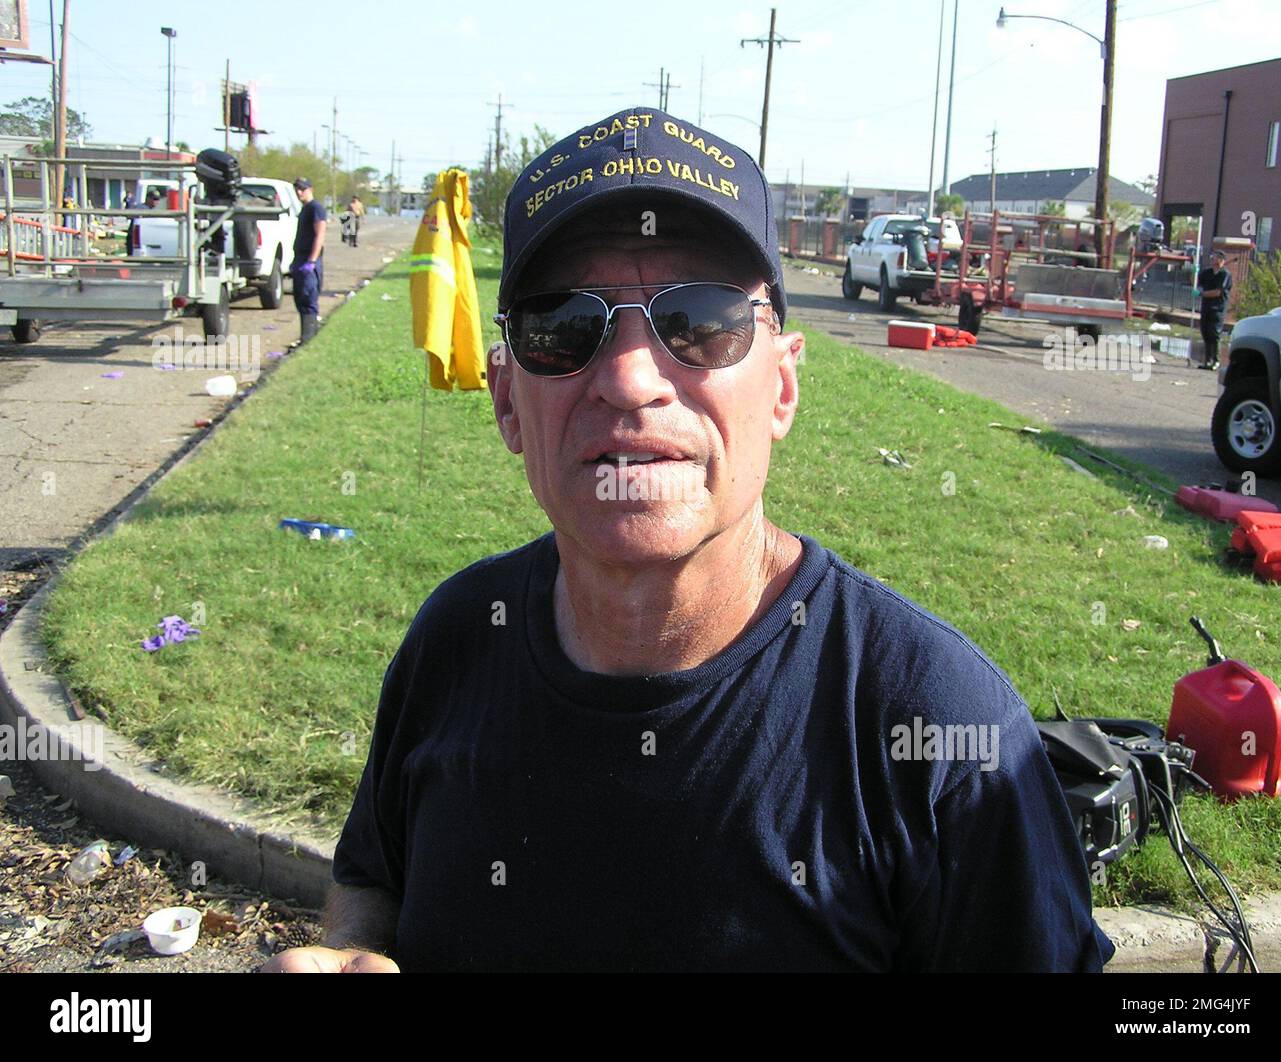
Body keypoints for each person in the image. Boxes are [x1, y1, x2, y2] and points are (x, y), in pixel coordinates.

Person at [263, 108, 1115, 973]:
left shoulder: (941, 732)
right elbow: (373, 878)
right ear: (507, 401)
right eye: (564, 325)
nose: (632, 380)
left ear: (782, 387)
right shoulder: (453, 639)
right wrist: (349, 949)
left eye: (701, 321)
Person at [290, 177, 327, 343]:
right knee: (300, 299)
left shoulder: (316, 208)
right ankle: (305, 336)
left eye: (302, 189)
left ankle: (309, 338)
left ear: (310, 189)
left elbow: (320, 235)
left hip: (309, 261)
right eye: (297, 189)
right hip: (299, 259)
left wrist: (311, 261)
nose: (299, 192)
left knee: (308, 299)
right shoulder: (304, 209)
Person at [1196, 249, 1232, 370]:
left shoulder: (1224, 274)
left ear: (1221, 260)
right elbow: (1197, 283)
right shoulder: (1207, 273)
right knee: (1205, 333)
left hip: (1218, 308)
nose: (1213, 259)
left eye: (1216, 257)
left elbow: (1218, 292)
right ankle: (1207, 360)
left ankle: (1216, 360)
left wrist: (1202, 294)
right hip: (1206, 307)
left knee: (1214, 334)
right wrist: (1193, 273)